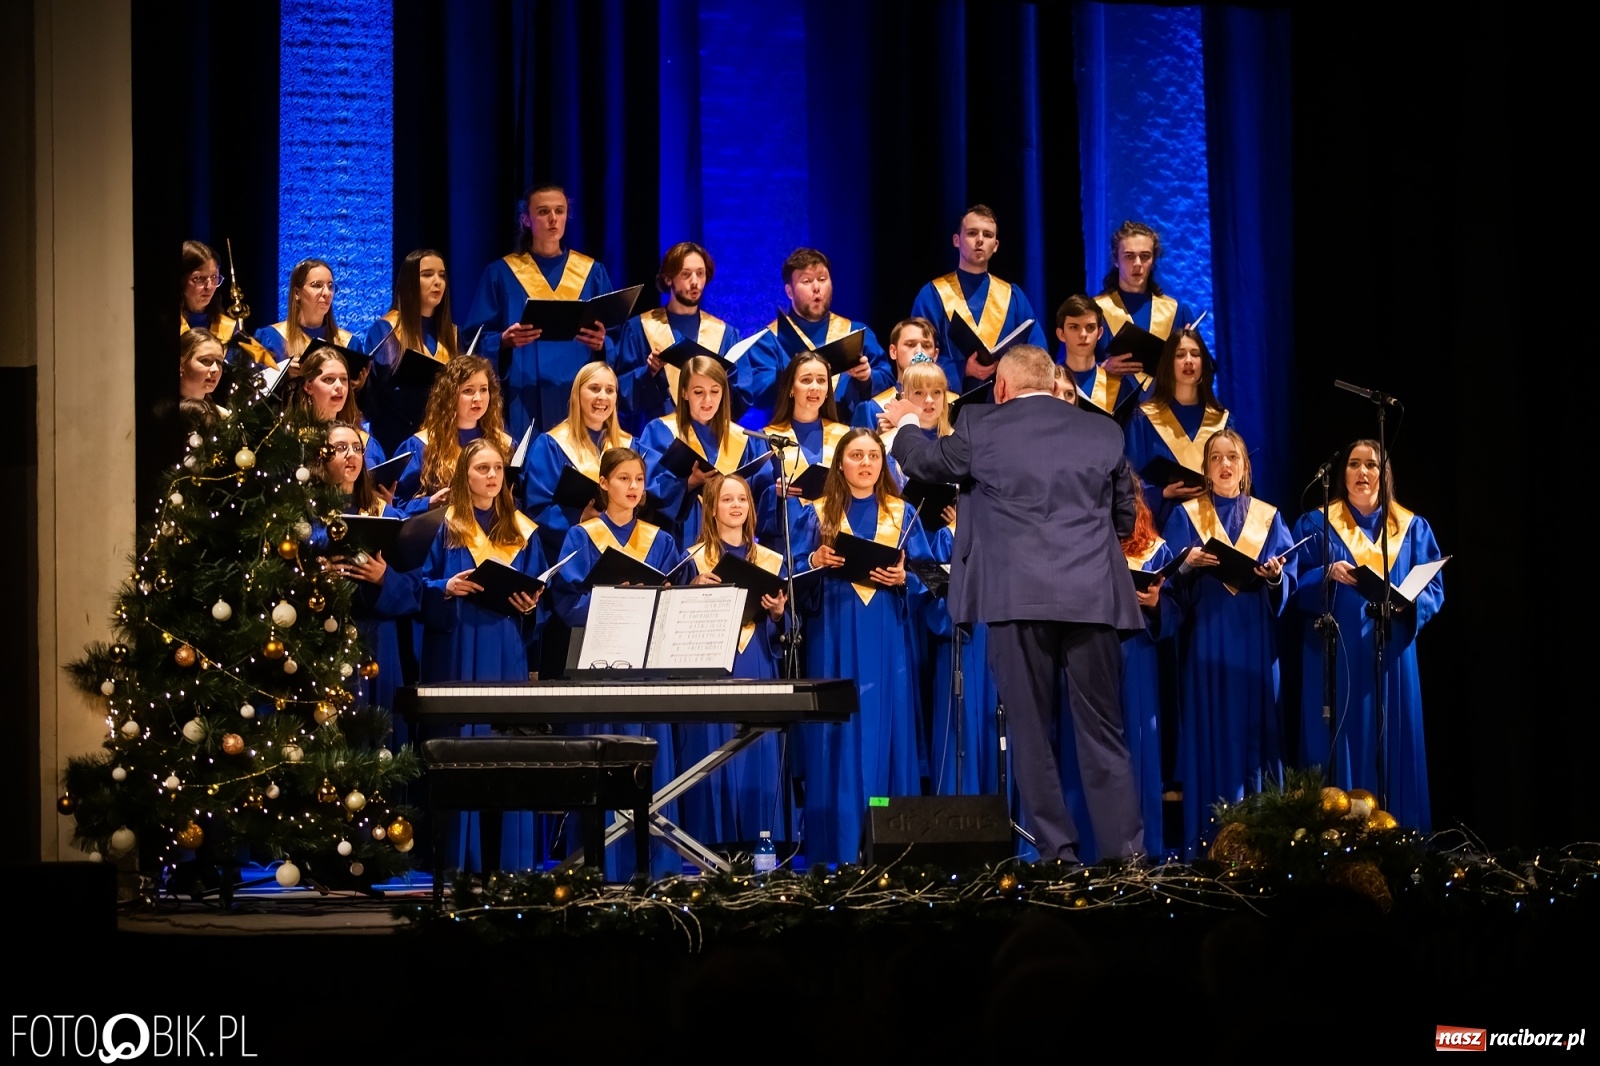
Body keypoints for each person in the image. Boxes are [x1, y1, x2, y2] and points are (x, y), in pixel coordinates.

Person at [885, 344, 1145, 863]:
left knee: (1030, 732)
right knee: (1104, 734)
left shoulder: (984, 426)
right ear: (1053, 384)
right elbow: (1122, 521)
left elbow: (928, 463)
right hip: (1093, 598)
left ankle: (1060, 857)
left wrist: (905, 422)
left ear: (1000, 388)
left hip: (1016, 600)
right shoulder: (1103, 431)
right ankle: (1126, 858)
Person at [789, 428, 932, 865]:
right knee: (838, 734)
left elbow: (929, 576)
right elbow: (788, 580)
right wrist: (814, 562)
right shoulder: (815, 515)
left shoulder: (904, 514)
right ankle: (836, 847)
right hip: (832, 630)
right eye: (856, 456)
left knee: (887, 727)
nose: (866, 463)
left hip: (887, 632)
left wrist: (905, 580)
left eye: (874, 456)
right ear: (840, 464)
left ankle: (892, 847)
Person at [548, 447, 687, 879]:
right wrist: (614, 601)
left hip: (647, 663)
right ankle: (597, 864)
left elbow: (673, 602)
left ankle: (656, 864)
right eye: (623, 479)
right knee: (603, 758)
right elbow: (566, 603)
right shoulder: (581, 537)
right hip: (601, 661)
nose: (632, 487)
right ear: (604, 484)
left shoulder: (661, 540)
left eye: (639, 480)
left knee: (649, 762)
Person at [1292, 440, 1445, 830]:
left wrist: (1408, 605)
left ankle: (1401, 838)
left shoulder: (1411, 527)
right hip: (1335, 654)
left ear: (1384, 474)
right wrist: (1324, 574)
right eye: (1354, 465)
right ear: (1342, 474)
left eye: (1372, 465)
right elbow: (1293, 583)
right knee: (1337, 740)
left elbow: (1433, 589)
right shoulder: (1316, 523)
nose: (1363, 472)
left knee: (1394, 740)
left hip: (1392, 652)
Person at [1161, 428, 1297, 856]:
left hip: (1255, 642)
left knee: (1256, 733)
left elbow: (1288, 575)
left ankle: (1262, 842)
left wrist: (1276, 575)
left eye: (1232, 457)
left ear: (1245, 467)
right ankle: (1208, 842)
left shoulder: (1267, 517)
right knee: (1210, 728)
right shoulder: (1186, 516)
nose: (1224, 465)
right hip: (1206, 639)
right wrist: (1186, 565)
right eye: (1216, 458)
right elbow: (1165, 580)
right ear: (1205, 468)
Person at [416, 437, 546, 871]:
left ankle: (507, 858)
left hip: (506, 648)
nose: (492, 476)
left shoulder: (522, 531)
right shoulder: (441, 526)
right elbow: (415, 588)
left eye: (497, 469)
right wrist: (444, 587)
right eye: (481, 469)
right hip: (455, 647)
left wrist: (530, 605)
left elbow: (535, 597)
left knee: (502, 747)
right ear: (463, 475)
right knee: (459, 743)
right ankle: (455, 856)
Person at [1057, 484, 1176, 861]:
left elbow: (1174, 611)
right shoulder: (1070, 542)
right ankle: (1086, 848)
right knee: (1085, 747)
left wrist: (1157, 603)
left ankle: (1137, 851)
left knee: (1135, 745)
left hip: (1135, 652)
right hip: (1081, 648)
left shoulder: (1154, 549)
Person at [679, 474, 788, 844]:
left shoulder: (772, 560)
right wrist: (692, 592)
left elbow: (787, 627)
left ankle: (761, 845)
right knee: (714, 750)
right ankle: (709, 846)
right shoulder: (694, 561)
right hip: (712, 665)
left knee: (756, 750)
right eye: (727, 500)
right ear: (711, 508)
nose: (736, 506)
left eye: (742, 499)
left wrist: (776, 614)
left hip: (757, 658)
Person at [463, 183, 615, 441]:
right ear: (526, 219)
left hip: (579, 394)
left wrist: (603, 343)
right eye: (543, 212)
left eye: (560, 210)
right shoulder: (501, 274)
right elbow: (473, 341)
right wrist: (502, 341)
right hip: (523, 397)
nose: (553, 219)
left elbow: (617, 337)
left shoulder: (592, 272)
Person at [315, 422, 422, 725]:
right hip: (322, 636)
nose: (352, 455)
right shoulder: (306, 517)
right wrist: (315, 573)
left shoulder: (386, 515)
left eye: (357, 448)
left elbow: (415, 587)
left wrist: (383, 577)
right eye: (340, 448)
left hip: (376, 637)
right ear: (319, 458)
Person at [734, 248, 892, 428]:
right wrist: (788, 376)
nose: (816, 287)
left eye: (822, 279)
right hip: (788, 440)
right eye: (807, 281)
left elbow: (888, 381)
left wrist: (867, 378)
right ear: (789, 291)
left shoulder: (855, 332)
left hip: (850, 436)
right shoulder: (769, 339)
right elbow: (757, 394)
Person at [910, 205, 1048, 393]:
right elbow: (917, 355)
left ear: (996, 245)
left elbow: (1037, 352)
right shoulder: (933, 295)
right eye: (972, 233)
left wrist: (1009, 367)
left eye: (988, 235)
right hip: (948, 401)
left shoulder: (1013, 297)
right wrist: (962, 368)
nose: (980, 240)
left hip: (1005, 401)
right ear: (957, 240)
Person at [635, 355, 769, 548]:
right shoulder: (660, 431)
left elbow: (759, 489)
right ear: (684, 393)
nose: (708, 400)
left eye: (715, 391)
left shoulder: (742, 438)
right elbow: (648, 488)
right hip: (680, 534)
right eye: (699, 392)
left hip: (731, 538)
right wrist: (688, 483)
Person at [614, 242, 744, 435]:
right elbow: (619, 390)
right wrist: (648, 372)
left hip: (710, 438)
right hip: (658, 440)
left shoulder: (724, 333)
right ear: (668, 279)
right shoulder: (639, 328)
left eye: (700, 273)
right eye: (686, 274)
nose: (695, 282)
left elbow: (740, 392)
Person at [520, 361, 633, 566]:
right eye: (594, 388)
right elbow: (537, 508)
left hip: (622, 551)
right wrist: (580, 517)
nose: (602, 397)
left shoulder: (630, 446)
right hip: (571, 557)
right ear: (577, 395)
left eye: (610, 390)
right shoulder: (551, 445)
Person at [1123, 327, 1231, 531]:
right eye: (1180, 355)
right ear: (1168, 364)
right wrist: (1163, 493)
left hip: (1214, 525)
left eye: (1195, 354)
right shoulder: (1144, 419)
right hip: (1161, 526)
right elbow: (1130, 482)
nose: (1188, 360)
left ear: (1203, 363)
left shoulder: (1222, 420)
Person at [362, 248, 458, 455]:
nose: (437, 281)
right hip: (396, 440)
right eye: (427, 275)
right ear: (410, 282)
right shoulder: (386, 329)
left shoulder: (452, 334)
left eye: (442, 275)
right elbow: (375, 391)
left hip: (442, 440)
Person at [391, 355, 511, 517]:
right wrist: (429, 503)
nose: (478, 398)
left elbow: (516, 499)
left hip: (493, 534)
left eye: (483, 389)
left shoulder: (504, 444)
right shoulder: (422, 445)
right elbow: (398, 504)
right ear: (450, 395)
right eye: (468, 391)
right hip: (443, 536)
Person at [753, 352, 851, 544]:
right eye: (806, 380)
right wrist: (776, 492)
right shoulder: (764, 438)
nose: (815, 387)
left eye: (822, 381)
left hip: (837, 540)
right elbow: (752, 495)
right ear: (791, 388)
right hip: (787, 542)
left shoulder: (846, 436)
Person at [1093, 221, 1197, 389]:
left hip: (1164, 410)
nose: (1138, 264)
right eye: (1129, 256)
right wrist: (1101, 369)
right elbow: (1067, 370)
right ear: (1116, 260)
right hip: (1110, 410)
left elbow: (1205, 370)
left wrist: (1187, 357)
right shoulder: (1094, 311)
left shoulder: (1177, 312)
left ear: (1153, 260)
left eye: (1145, 256)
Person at [288, 347, 388, 469]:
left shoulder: (365, 443)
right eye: (329, 379)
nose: (339, 386)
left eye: (343, 379)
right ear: (308, 386)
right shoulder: (290, 440)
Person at [256, 257, 364, 369]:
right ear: (297, 293)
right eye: (317, 285)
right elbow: (251, 383)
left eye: (330, 286)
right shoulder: (270, 338)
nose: (327, 293)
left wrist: (356, 386)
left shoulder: (350, 344)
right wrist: (282, 375)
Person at [1055, 294, 1139, 417]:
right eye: (1074, 327)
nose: (1083, 334)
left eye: (1090, 327)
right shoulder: (1048, 383)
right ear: (1061, 334)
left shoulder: (1120, 387)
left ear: (1099, 333)